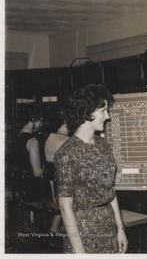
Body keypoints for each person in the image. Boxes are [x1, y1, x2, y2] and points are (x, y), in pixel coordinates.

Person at [54, 84, 128, 253]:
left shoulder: (103, 145)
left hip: (108, 228)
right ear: (87, 112)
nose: (107, 116)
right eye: (103, 111)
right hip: (82, 232)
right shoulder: (67, 153)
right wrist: (80, 253)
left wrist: (120, 229)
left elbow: (109, 191)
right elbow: (65, 208)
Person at [44, 107, 69, 240]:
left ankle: (54, 230)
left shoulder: (50, 138)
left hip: (53, 189)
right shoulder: (65, 142)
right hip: (63, 191)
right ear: (66, 121)